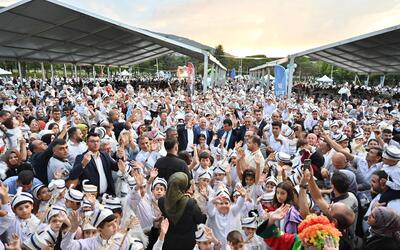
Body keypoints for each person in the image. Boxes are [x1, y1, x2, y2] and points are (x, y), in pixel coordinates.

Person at [158, 172, 207, 250]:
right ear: (183, 186)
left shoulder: (161, 201)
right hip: (187, 242)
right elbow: (200, 219)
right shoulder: (190, 203)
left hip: (169, 241)